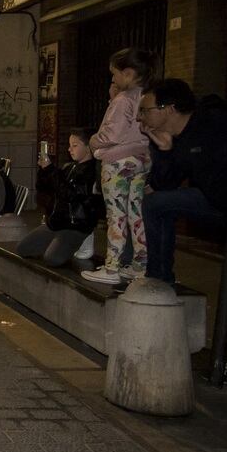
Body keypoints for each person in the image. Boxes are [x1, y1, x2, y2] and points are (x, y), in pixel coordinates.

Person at [137, 79, 227, 384]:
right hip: (218, 204)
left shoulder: (217, 124)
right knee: (158, 204)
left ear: (168, 109)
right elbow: (163, 184)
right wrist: (164, 150)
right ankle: (160, 278)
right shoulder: (172, 137)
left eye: (145, 110)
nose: (140, 118)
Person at [82, 48, 154, 285]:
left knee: (116, 215)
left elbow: (111, 134)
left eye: (115, 74)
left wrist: (93, 141)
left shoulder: (123, 100)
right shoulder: (146, 96)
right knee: (136, 214)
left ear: (129, 73)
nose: (113, 79)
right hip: (141, 159)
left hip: (118, 162)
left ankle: (112, 268)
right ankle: (139, 265)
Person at [18, 127, 104, 267]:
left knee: (53, 259)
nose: (70, 149)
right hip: (57, 222)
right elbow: (45, 188)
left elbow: (71, 194)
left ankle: (84, 239)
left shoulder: (92, 171)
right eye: (69, 146)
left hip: (76, 224)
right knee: (24, 248)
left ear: (89, 148)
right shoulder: (69, 167)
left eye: (75, 146)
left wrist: (51, 170)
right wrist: (44, 170)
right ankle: (58, 242)